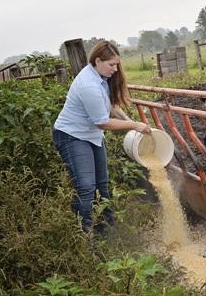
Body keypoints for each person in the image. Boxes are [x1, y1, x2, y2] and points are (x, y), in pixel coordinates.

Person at [52, 40, 151, 233]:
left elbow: (110, 104)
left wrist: (126, 118)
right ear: (98, 60)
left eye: (117, 64)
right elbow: (102, 122)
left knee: (102, 185)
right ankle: (84, 239)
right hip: (71, 136)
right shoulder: (88, 85)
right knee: (86, 188)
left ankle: (106, 231)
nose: (115, 69)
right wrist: (133, 125)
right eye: (111, 65)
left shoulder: (100, 77)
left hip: (91, 135)